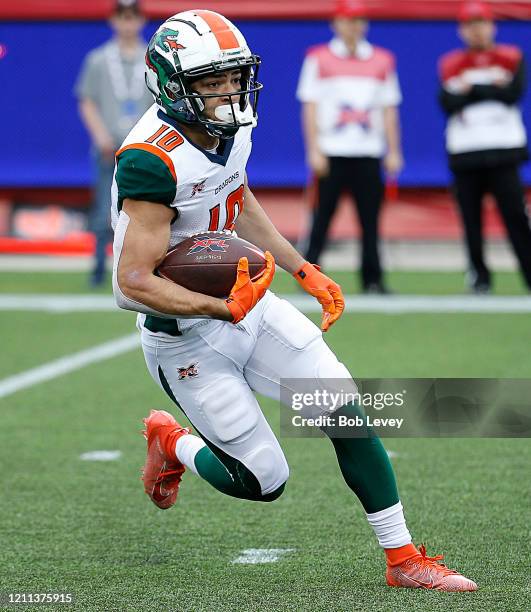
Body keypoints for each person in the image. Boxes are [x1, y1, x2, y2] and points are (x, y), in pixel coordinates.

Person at [111, 9, 476, 591]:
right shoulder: (150, 159)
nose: (229, 91)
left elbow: (236, 193)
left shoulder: (230, 126)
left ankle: (403, 558)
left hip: (244, 301)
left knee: (347, 413)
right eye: (211, 82)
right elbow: (132, 281)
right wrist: (218, 308)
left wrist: (301, 267)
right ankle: (172, 441)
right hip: (185, 333)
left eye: (233, 76)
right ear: (174, 86)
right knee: (264, 479)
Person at [296, 0, 403, 294]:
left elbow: (389, 109)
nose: (353, 27)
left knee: (370, 220)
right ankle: (310, 276)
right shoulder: (318, 58)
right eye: (347, 20)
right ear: (336, 23)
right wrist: (314, 150)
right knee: (321, 219)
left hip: (368, 152)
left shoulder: (382, 59)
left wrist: (393, 150)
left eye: (358, 21)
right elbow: (310, 106)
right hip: (331, 152)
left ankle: (373, 279)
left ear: (365, 24)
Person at [438, 1, 531, 294]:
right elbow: (448, 102)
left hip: (504, 150)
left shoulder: (512, 57)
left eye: (482, 23)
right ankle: (479, 278)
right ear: (462, 30)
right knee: (471, 219)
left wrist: (473, 89)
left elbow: (511, 95)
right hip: (466, 152)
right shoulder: (450, 63)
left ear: (493, 26)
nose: (477, 31)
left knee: (516, 216)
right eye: (471, 25)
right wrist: (491, 89)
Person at [75, 0, 153, 287]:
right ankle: (97, 268)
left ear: (141, 20)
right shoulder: (98, 59)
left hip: (142, 148)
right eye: (122, 17)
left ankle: (142, 270)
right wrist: (100, 134)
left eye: (132, 17)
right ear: (113, 21)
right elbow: (87, 100)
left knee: (146, 210)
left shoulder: (151, 59)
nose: (127, 23)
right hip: (108, 147)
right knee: (102, 208)